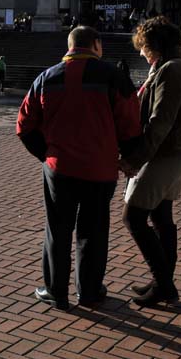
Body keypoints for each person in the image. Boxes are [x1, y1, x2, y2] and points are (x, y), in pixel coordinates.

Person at [17, 27, 141, 310]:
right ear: (96, 44)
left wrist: (45, 154)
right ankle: (89, 291)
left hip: (59, 169)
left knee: (57, 229)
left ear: (70, 46)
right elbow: (131, 126)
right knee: (94, 231)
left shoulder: (45, 78)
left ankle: (56, 291)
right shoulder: (114, 78)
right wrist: (128, 156)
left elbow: (24, 126)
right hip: (100, 170)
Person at [119, 17, 181, 307]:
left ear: (154, 45)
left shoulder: (171, 71)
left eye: (143, 46)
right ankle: (163, 281)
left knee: (134, 216)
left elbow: (159, 123)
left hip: (166, 154)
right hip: (176, 152)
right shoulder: (176, 67)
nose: (140, 52)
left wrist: (134, 160)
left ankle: (164, 284)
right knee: (161, 217)